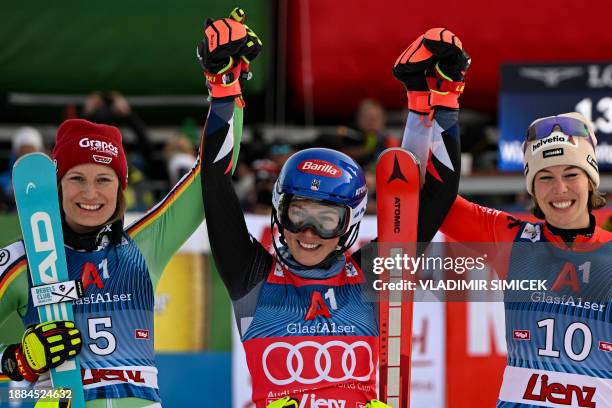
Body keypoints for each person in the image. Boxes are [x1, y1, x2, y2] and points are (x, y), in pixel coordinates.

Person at [199, 15, 466, 407]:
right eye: (299, 213)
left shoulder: (372, 274)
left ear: (349, 224)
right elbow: (215, 181)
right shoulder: (250, 275)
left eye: (327, 220)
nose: (308, 232)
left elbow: (432, 196)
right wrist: (223, 88)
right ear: (279, 211)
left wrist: (439, 99)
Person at [400, 34, 611, 408]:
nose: (559, 188)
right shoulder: (512, 239)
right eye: (544, 177)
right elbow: (422, 199)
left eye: (571, 174)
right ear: (531, 187)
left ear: (591, 179)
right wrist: (434, 102)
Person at [0, 117, 205, 405]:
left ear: (121, 188)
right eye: (77, 178)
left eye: (104, 179)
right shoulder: (22, 263)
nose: (90, 193)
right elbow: (14, 363)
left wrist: (223, 91)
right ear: (56, 186)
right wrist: (16, 361)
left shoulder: (143, 247)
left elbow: (211, 173)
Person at [0, 126, 45, 211]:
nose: (26, 155)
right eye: (23, 151)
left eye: (30, 151)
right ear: (16, 153)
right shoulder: (3, 181)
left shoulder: (49, 178)